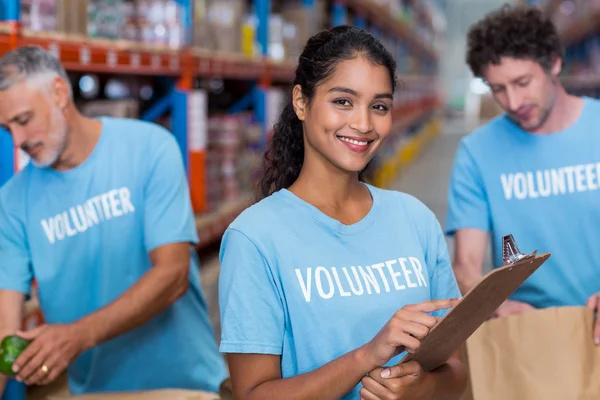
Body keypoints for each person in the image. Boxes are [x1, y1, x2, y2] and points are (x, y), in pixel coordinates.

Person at [217, 26, 467, 400]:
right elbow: (253, 394)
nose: (364, 124)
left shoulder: (415, 220)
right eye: (343, 101)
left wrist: (423, 387)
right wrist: (367, 356)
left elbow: (458, 373)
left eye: (379, 106)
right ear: (301, 102)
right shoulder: (254, 238)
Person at [0, 45, 229, 396]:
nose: (18, 141)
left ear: (59, 92)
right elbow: (5, 328)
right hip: (97, 392)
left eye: (24, 120)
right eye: (6, 128)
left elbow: (173, 275)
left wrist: (77, 336)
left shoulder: (149, 148)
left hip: (184, 386)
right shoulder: (12, 201)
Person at [446, 5, 600, 342]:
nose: (513, 101)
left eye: (522, 82)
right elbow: (466, 266)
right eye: (498, 88)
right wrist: (496, 305)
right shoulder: (478, 152)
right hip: (530, 336)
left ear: (554, 63)